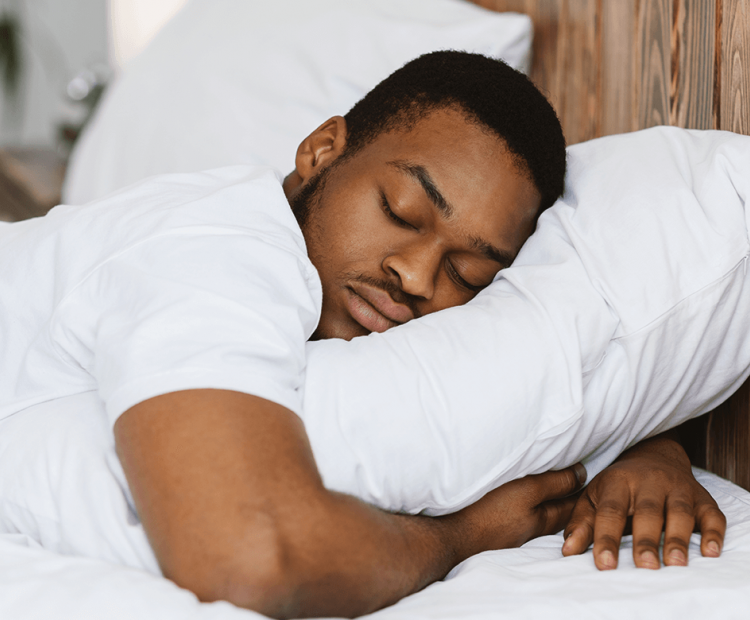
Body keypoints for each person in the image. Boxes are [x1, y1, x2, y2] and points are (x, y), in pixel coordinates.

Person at [0, 51, 724, 618]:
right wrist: (459, 538)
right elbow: (248, 557)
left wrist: (643, 444)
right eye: (402, 210)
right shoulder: (219, 253)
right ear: (321, 150)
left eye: (468, 274)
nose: (415, 274)